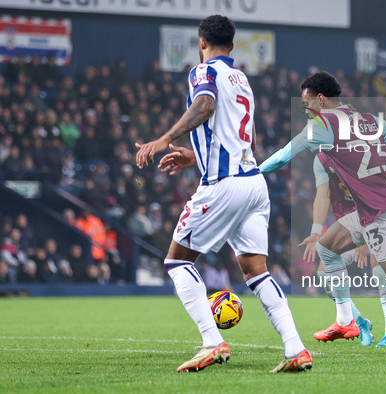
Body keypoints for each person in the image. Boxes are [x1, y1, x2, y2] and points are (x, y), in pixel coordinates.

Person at [135, 15, 311, 373]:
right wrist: (196, 155)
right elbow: (249, 140)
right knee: (256, 271)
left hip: (224, 184)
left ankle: (212, 342)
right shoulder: (243, 80)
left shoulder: (203, 72)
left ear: (201, 43)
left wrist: (165, 139)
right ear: (232, 46)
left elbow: (205, 106)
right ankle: (295, 349)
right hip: (254, 183)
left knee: (177, 261)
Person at [259, 71, 386, 360]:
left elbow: (283, 156)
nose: (306, 110)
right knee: (327, 248)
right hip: (369, 211)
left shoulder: (324, 123)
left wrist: (247, 175)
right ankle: (346, 321)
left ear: (320, 99)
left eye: (307, 103)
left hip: (380, 212)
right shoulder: (369, 120)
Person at [301, 151, 386, 348]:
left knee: (381, 267)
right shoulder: (322, 159)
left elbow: (370, 191)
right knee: (323, 271)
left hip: (377, 217)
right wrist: (316, 233)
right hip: (346, 226)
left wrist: (363, 243)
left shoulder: (357, 151)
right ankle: (359, 322)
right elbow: (323, 196)